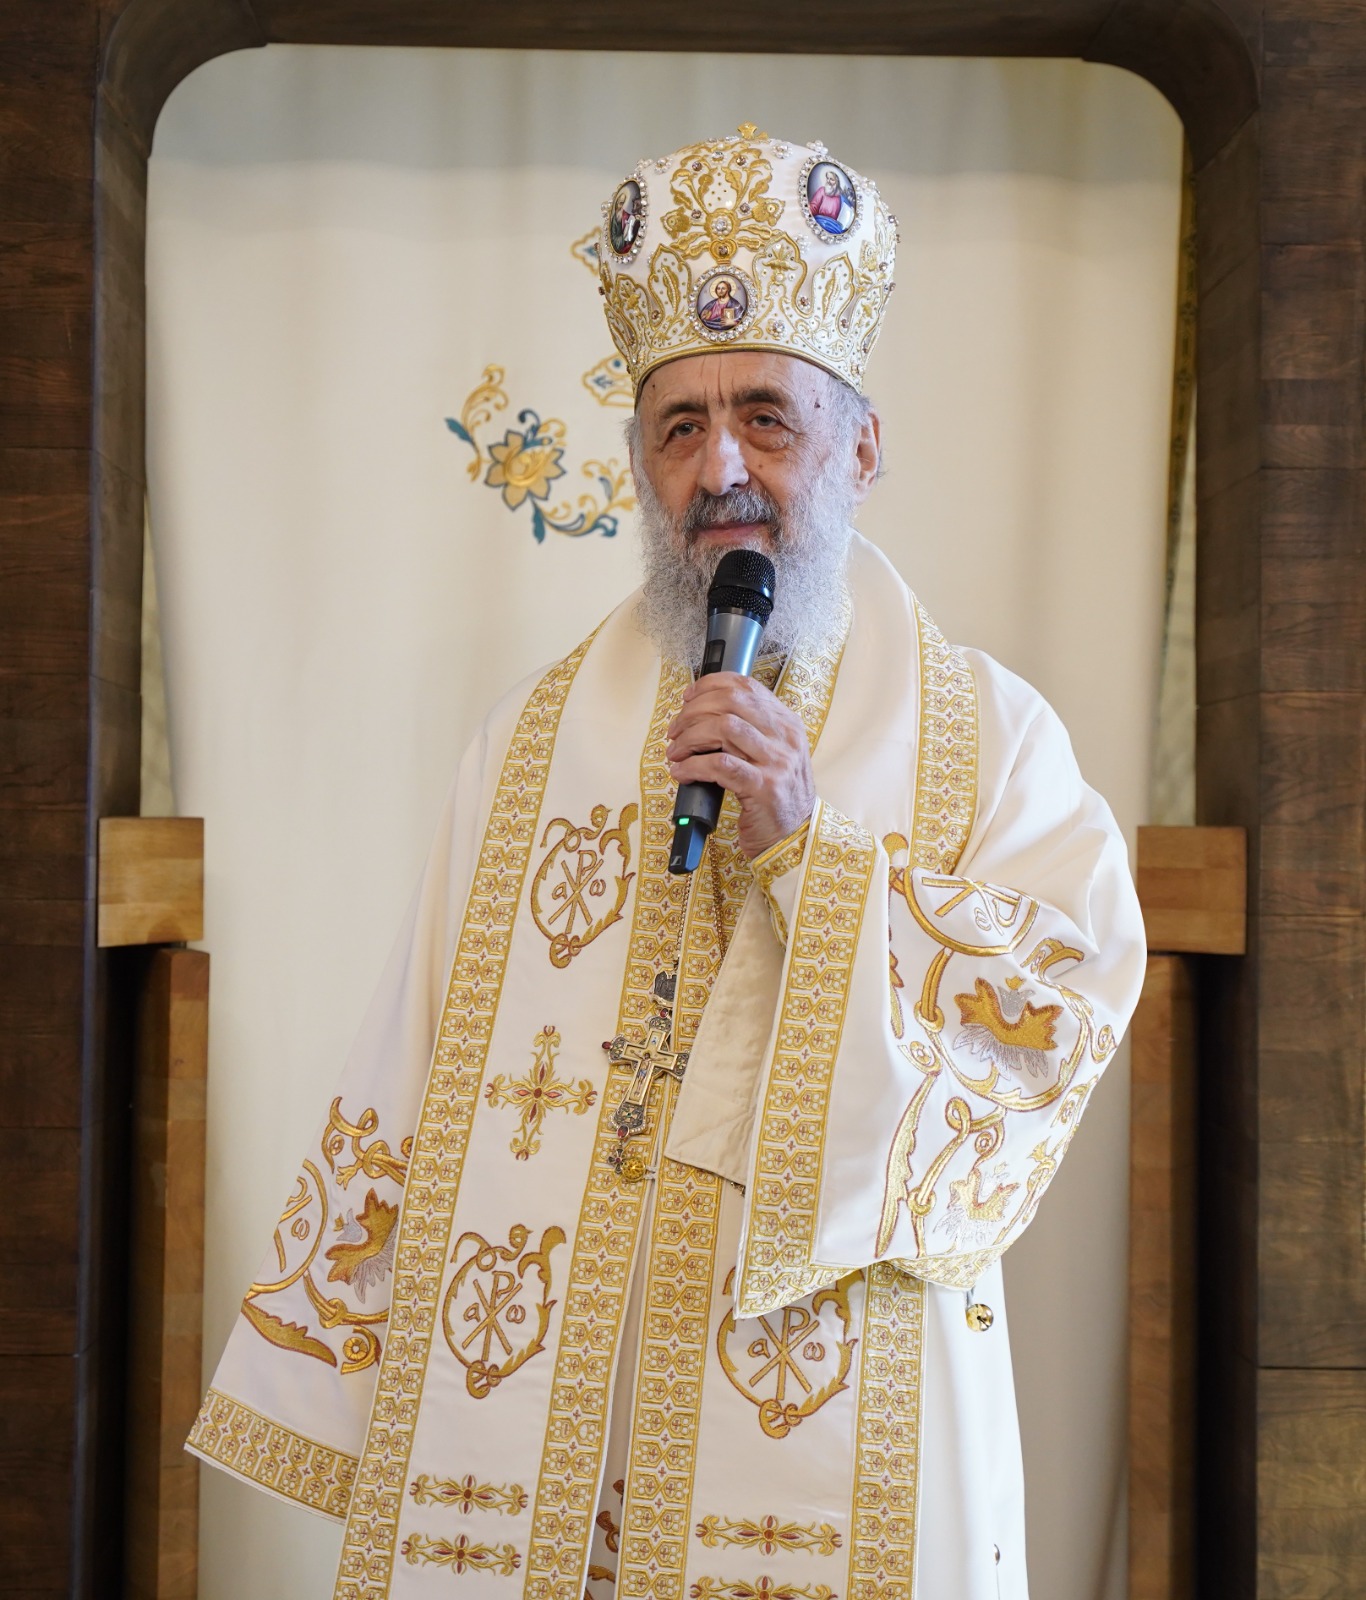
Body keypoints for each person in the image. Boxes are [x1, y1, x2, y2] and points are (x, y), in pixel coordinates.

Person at [190, 127, 1145, 1600]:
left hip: (834, 1414)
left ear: (861, 448)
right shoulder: (532, 744)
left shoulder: (988, 738)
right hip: (559, 1427)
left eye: (765, 417)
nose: (719, 470)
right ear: (639, 462)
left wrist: (812, 858)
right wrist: (343, 1349)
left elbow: (1043, 1041)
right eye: (677, 428)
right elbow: (421, 1050)